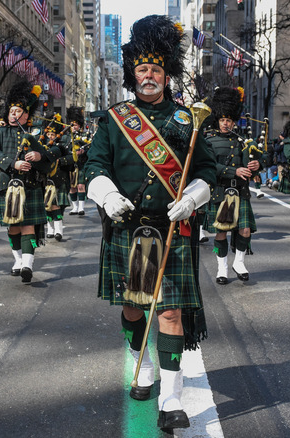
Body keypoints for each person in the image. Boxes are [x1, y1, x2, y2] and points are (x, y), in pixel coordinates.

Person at [84, 15, 216, 430]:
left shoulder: (187, 120)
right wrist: (107, 196)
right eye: (142, 70)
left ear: (166, 74)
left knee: (171, 314)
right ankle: (141, 368)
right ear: (132, 74)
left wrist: (192, 198)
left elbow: (208, 170)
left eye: (156, 69)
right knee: (132, 306)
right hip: (128, 227)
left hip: (172, 228)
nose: (149, 76)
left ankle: (172, 399)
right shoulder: (114, 119)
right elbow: (93, 165)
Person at [0, 80, 52, 283]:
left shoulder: (34, 136)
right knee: (13, 228)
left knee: (28, 226)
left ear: (26, 115)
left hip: (30, 186)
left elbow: (47, 160)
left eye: (18, 111)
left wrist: (38, 156)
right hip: (8, 185)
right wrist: (13, 164)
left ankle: (27, 265)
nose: (14, 114)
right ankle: (18, 259)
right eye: (11, 111)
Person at [202, 87, 259, 284]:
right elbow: (209, 165)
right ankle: (222, 267)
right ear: (217, 120)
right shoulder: (208, 141)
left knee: (245, 230)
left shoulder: (241, 141)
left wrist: (256, 165)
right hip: (220, 191)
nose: (226, 124)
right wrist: (233, 171)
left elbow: (252, 163)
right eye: (222, 120)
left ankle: (239, 263)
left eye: (229, 120)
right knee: (221, 232)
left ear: (234, 122)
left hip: (240, 191)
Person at [40, 114, 71, 240]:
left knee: (56, 206)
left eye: (53, 135)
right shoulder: (41, 146)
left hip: (59, 179)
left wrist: (60, 161)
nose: (50, 136)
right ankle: (51, 229)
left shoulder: (62, 146)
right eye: (49, 135)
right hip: (45, 180)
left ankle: (59, 231)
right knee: (47, 207)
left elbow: (71, 159)